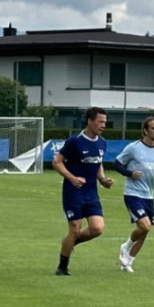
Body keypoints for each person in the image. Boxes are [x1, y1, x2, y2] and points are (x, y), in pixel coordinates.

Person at [52, 106, 114, 275]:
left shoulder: (102, 142)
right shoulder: (75, 141)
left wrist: (102, 179)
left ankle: (69, 243)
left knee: (97, 228)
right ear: (89, 121)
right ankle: (62, 267)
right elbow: (57, 161)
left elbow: (98, 163)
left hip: (91, 193)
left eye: (105, 122)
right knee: (74, 228)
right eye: (100, 122)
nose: (103, 125)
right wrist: (71, 177)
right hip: (73, 192)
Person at [113, 116, 154, 273]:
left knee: (146, 230)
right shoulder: (133, 148)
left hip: (148, 196)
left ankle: (128, 261)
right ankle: (126, 246)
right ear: (145, 130)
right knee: (144, 225)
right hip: (133, 194)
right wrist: (130, 173)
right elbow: (117, 164)